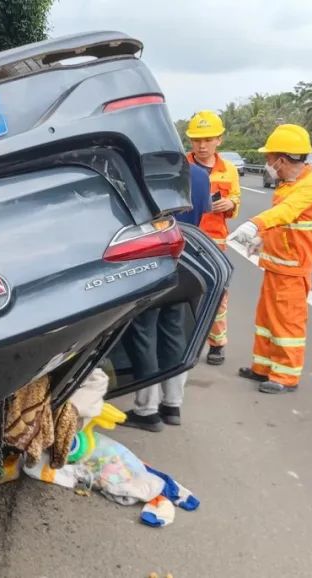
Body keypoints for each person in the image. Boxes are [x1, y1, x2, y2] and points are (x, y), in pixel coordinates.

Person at [229, 124, 312, 394]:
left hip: (293, 270)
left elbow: (286, 212)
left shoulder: (309, 186)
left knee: (287, 324)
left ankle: (285, 376)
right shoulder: (289, 183)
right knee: (267, 320)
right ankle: (262, 368)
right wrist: (262, 239)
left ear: (281, 160)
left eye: (269, 158)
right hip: (276, 265)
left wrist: (254, 225)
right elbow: (283, 223)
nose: (268, 164)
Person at [120, 163, 212, 431]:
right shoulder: (199, 176)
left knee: (143, 334)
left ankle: (147, 410)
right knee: (174, 332)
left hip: (150, 262)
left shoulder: (138, 172)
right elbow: (202, 213)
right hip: (184, 263)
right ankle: (172, 404)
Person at [185, 111, 242, 366]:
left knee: (218, 294)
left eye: (208, 140)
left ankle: (217, 344)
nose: (202, 145)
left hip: (215, 243)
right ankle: (185, 345)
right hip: (186, 239)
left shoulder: (229, 170)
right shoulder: (180, 167)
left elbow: (236, 200)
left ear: (219, 139)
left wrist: (230, 203)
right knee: (185, 293)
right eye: (197, 140)